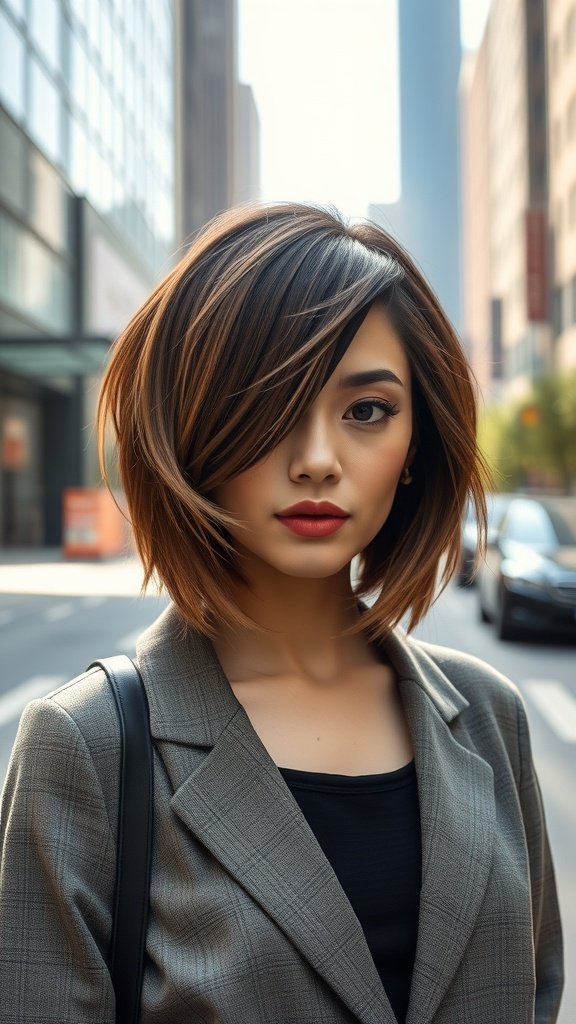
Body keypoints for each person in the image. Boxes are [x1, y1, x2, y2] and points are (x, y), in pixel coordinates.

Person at [0, 202, 564, 1024]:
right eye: (268, 404)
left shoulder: (489, 720)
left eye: (367, 410)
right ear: (193, 429)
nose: (316, 461)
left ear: (416, 448)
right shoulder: (85, 748)